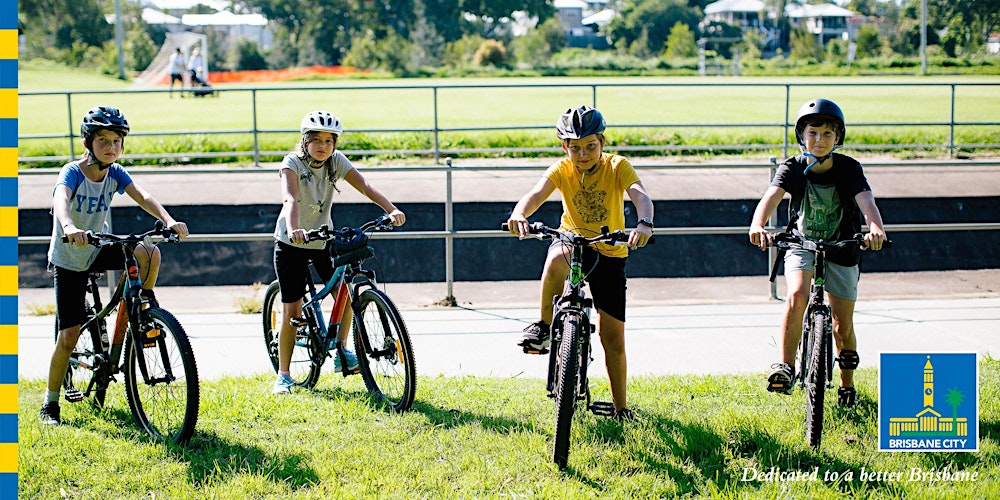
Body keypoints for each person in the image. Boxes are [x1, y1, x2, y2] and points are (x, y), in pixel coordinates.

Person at [40, 106, 190, 425]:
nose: (111, 147)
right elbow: (61, 201)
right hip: (70, 255)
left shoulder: (116, 172)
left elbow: (143, 195)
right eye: (103, 140)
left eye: (116, 141)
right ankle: (50, 404)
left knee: (149, 252)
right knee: (68, 336)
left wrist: (168, 220)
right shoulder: (73, 171)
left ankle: (141, 306)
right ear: (88, 143)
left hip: (99, 246)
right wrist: (68, 226)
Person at [505, 105, 654, 420]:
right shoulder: (561, 170)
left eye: (590, 146)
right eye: (575, 148)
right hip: (573, 243)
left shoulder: (617, 166)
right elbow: (534, 194)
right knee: (556, 255)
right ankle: (544, 326)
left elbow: (640, 195)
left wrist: (644, 223)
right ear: (565, 147)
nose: (583, 154)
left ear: (602, 142)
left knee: (611, 337)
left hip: (609, 251)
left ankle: (620, 408)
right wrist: (520, 214)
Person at [748, 98, 887, 408]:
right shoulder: (794, 167)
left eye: (827, 134)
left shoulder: (849, 168)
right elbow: (771, 196)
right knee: (797, 295)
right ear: (802, 136)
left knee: (842, 323)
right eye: (812, 133)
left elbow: (866, 200)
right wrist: (758, 224)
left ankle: (846, 386)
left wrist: (875, 228)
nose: (819, 140)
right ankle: (786, 366)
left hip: (842, 246)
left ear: (837, 138)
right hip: (802, 243)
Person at [271, 110, 406, 394]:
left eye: (329, 141)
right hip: (291, 243)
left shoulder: (336, 162)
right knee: (292, 312)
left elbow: (365, 186)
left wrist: (390, 209)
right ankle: (283, 375)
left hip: (322, 239)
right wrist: (295, 227)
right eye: (316, 140)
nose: (323, 146)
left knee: (344, 294)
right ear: (305, 141)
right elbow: (290, 198)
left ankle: (343, 351)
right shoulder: (291, 164)